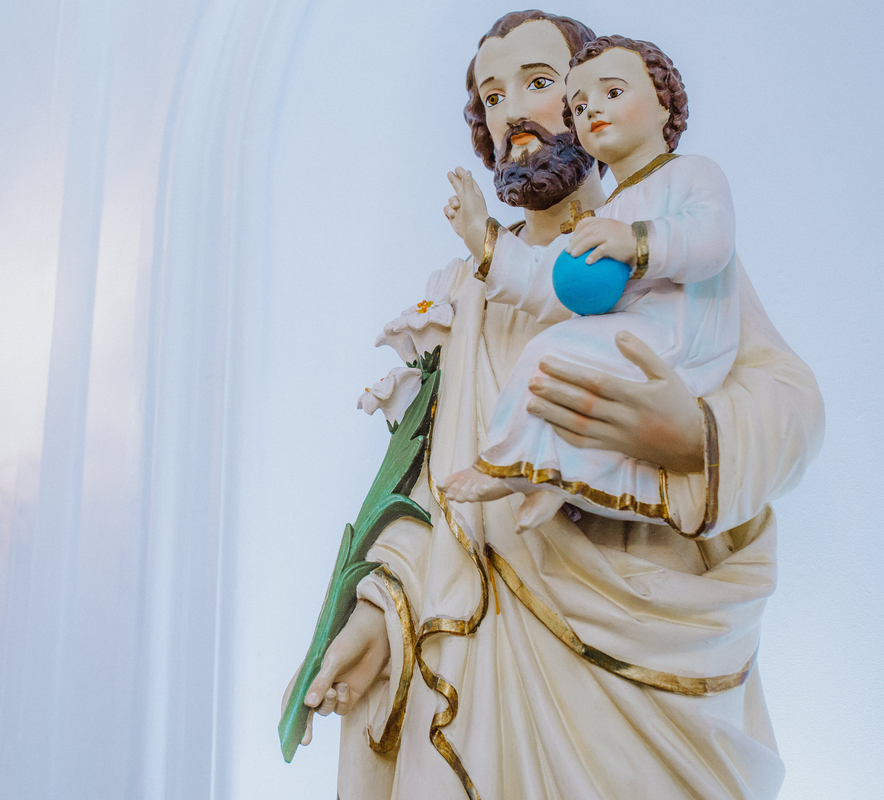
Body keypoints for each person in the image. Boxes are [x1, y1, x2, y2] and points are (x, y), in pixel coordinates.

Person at [290, 11, 824, 799]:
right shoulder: (465, 293)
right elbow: (429, 488)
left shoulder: (661, 248)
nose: (513, 114)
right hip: (479, 653)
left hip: (639, 652)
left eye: (540, 84)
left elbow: (793, 403)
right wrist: (379, 615)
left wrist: (694, 441)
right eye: (493, 96)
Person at [441, 36, 741, 535]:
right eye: (578, 104)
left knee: (553, 354)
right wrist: (481, 236)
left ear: (664, 102)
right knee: (555, 361)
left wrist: (637, 242)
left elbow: (711, 241)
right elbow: (545, 284)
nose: (592, 110)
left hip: (680, 342)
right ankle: (552, 477)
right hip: (637, 335)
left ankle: (505, 466)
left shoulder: (691, 175)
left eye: (613, 93)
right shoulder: (613, 210)